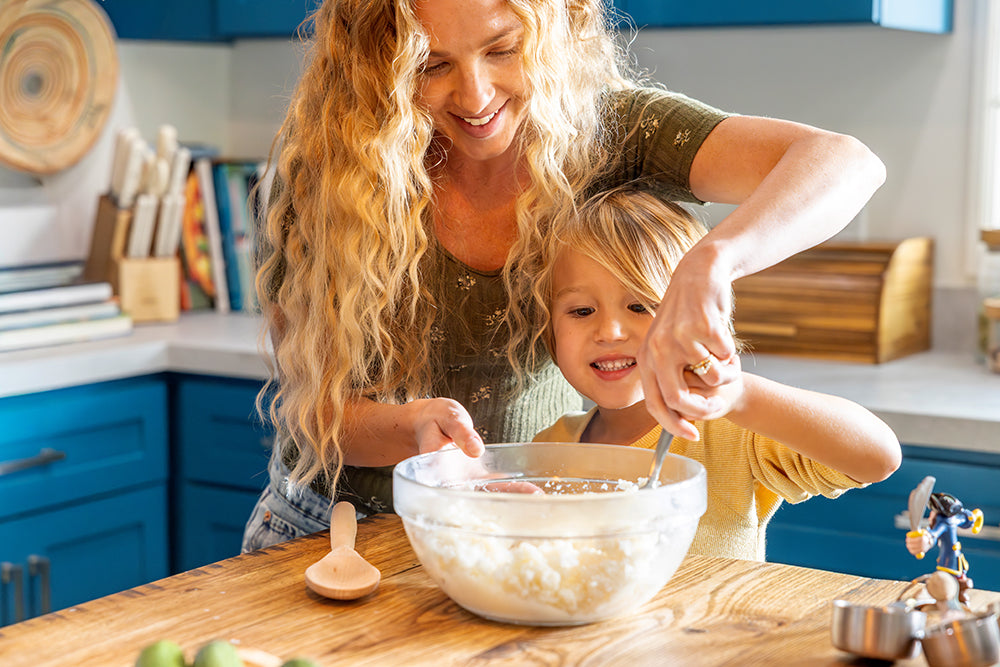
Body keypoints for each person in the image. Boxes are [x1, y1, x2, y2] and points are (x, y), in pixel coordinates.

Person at [242, 0, 887, 551]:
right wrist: (411, 433)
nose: (475, 95)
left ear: (550, 28)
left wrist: (712, 263)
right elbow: (310, 413)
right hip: (333, 531)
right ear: (378, 64)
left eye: (503, 48)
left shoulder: (603, 134)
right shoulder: (331, 169)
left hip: (515, 529)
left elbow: (843, 162)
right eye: (431, 64)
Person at [532, 186, 901, 560]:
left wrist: (739, 396)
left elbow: (877, 457)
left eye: (640, 305)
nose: (610, 331)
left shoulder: (732, 432)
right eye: (581, 311)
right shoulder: (546, 449)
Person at [905, 491, 984, 604]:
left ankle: (955, 599)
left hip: (950, 561)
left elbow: (968, 518)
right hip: (952, 558)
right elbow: (969, 518)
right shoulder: (951, 519)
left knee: (953, 579)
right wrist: (925, 539)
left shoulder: (947, 521)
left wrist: (926, 539)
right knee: (954, 579)